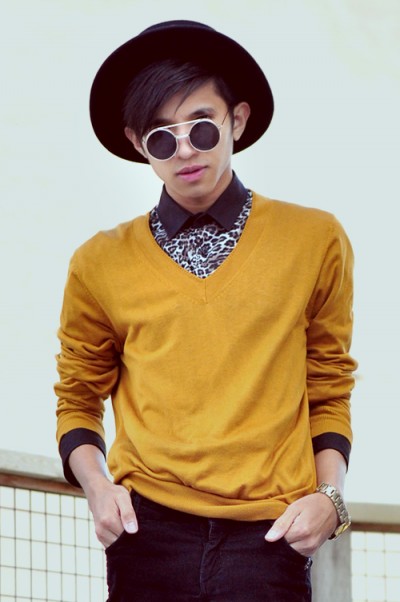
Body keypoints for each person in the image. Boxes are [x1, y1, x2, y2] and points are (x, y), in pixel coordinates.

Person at [55, 20, 357, 602]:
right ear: (138, 144)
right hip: (146, 533)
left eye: (201, 126)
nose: (186, 150)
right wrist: (98, 489)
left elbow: (329, 383)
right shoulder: (98, 263)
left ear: (236, 120)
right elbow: (77, 396)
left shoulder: (314, 239)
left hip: (269, 538)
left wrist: (330, 499)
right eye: (161, 138)